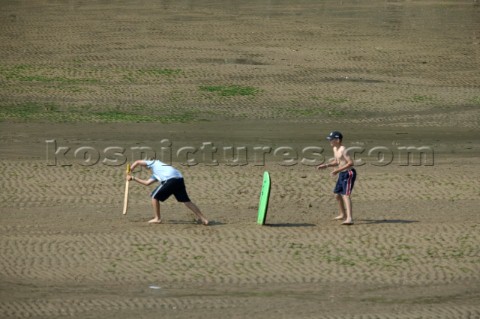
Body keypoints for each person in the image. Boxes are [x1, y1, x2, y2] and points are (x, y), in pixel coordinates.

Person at [126, 159, 209, 225]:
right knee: (186, 201)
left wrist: (130, 170)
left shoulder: (154, 162)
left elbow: (137, 162)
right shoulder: (157, 172)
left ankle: (157, 218)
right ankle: (203, 219)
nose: (145, 167)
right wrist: (133, 178)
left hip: (171, 179)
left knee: (154, 197)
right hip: (179, 179)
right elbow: (147, 183)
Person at [316, 131, 357, 225]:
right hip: (342, 173)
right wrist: (326, 165)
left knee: (346, 195)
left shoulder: (343, 149)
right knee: (337, 195)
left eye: (331, 139)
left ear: (338, 140)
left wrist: (337, 171)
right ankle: (342, 214)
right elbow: (337, 161)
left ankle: (349, 218)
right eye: (329, 139)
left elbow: (350, 163)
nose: (330, 141)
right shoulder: (335, 148)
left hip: (349, 173)